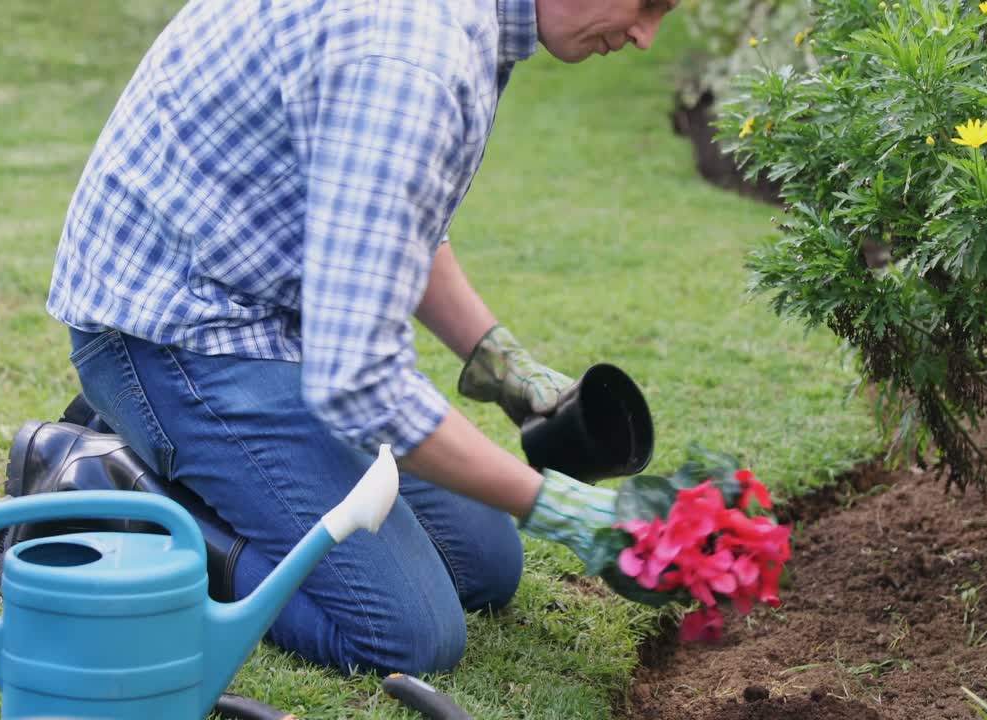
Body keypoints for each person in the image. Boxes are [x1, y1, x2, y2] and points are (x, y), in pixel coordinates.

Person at [39, 0, 677, 676]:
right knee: (410, 637)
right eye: (648, 4)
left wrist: (503, 364)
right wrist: (562, 509)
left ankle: (205, 462)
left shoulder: (467, 27)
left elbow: (395, 222)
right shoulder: (411, 52)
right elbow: (360, 381)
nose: (645, 36)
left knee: (485, 565)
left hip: (278, 322)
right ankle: (112, 491)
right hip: (177, 333)